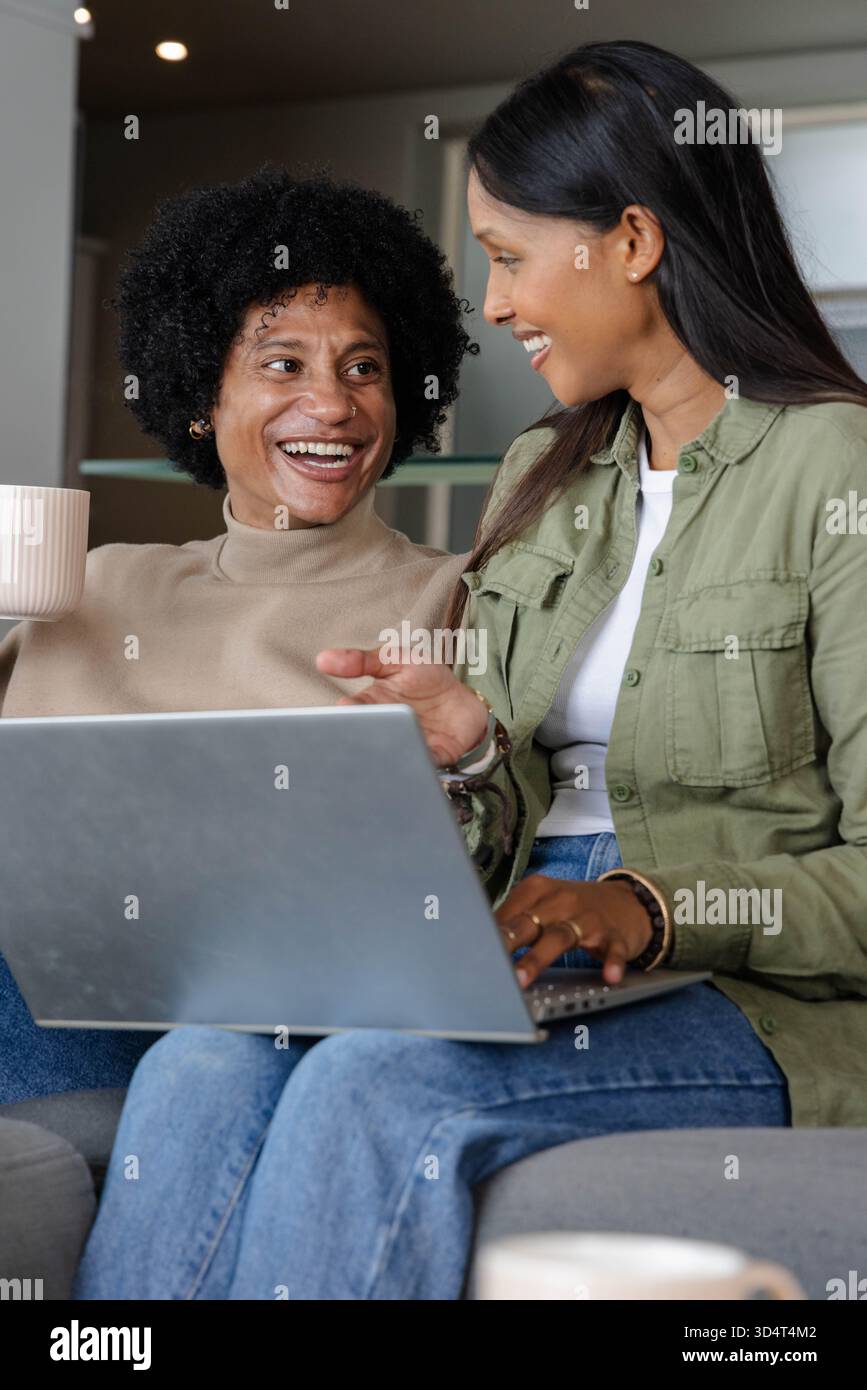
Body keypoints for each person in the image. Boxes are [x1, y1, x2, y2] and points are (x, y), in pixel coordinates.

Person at [74, 40, 867, 1301]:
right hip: (517, 931)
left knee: (371, 1082)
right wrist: (471, 749)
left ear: (631, 244)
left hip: (749, 986)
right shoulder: (545, 479)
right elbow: (512, 814)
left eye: (508, 255)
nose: (493, 306)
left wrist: (650, 905)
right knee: (203, 1061)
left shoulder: (836, 472)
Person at [0, 166, 474, 1104]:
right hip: (49, 988)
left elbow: (466, 860)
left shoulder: (454, 600)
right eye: (282, 363)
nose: (333, 404)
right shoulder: (88, 584)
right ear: (198, 395)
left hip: (276, 1019)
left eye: (363, 366)